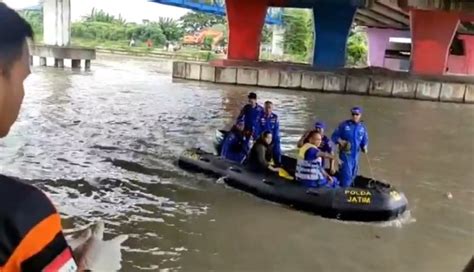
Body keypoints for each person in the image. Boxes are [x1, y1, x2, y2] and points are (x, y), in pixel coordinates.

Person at [0, 4, 126, 271]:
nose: (21, 94)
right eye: (22, 79)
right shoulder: (23, 214)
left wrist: (54, 255)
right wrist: (93, 268)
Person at [331, 106, 369, 187]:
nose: (355, 116)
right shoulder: (344, 125)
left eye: (357, 114)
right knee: (346, 175)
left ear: (360, 115)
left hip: (356, 156)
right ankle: (343, 191)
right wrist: (340, 141)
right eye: (353, 114)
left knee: (353, 174)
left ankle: (348, 188)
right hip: (345, 154)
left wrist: (365, 146)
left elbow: (364, 141)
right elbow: (334, 136)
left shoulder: (362, 128)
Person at [254, 101, 281, 165]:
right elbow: (257, 129)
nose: (268, 109)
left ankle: (278, 163)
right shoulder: (259, 116)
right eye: (266, 108)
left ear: (272, 108)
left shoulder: (275, 117)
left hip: (271, 138)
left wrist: (273, 140)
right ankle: (263, 163)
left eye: (269, 108)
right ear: (264, 108)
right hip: (263, 138)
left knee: (277, 143)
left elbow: (276, 130)